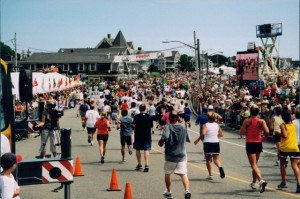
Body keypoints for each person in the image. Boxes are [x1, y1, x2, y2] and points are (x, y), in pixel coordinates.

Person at [158, 110, 191, 199]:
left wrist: (160, 142)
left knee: (168, 173)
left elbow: (165, 137)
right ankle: (187, 190)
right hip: (182, 155)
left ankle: (169, 192)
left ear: (170, 118)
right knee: (183, 174)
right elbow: (188, 139)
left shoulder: (167, 127)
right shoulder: (183, 127)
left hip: (170, 155)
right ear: (178, 118)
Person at [240, 105, 269, 193]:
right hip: (258, 143)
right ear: (258, 112)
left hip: (250, 143)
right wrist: (263, 138)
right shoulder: (261, 121)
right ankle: (253, 182)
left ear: (250, 112)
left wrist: (247, 130)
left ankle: (261, 180)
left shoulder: (247, 121)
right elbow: (267, 131)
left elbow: (241, 132)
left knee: (253, 165)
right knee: (255, 164)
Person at [194, 112, 225, 180]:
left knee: (208, 159)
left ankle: (210, 174)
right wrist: (215, 136)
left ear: (207, 118)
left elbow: (203, 134)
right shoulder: (217, 125)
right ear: (214, 118)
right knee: (216, 159)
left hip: (208, 143)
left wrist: (197, 140)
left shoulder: (205, 125)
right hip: (216, 142)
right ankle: (220, 167)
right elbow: (221, 134)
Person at [277, 110, 300, 193]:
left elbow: (285, 135)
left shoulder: (283, 125)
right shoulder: (293, 125)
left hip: (285, 147)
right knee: (295, 165)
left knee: (282, 164)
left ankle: (283, 182)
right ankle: (299, 183)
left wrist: (278, 133)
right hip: (294, 147)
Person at [132, 104, 153, 172]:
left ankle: (139, 164)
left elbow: (133, 125)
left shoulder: (136, 116)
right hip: (147, 135)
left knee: (138, 149)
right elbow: (151, 125)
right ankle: (146, 164)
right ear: (145, 109)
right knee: (146, 150)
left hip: (138, 135)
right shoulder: (149, 116)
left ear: (140, 109)